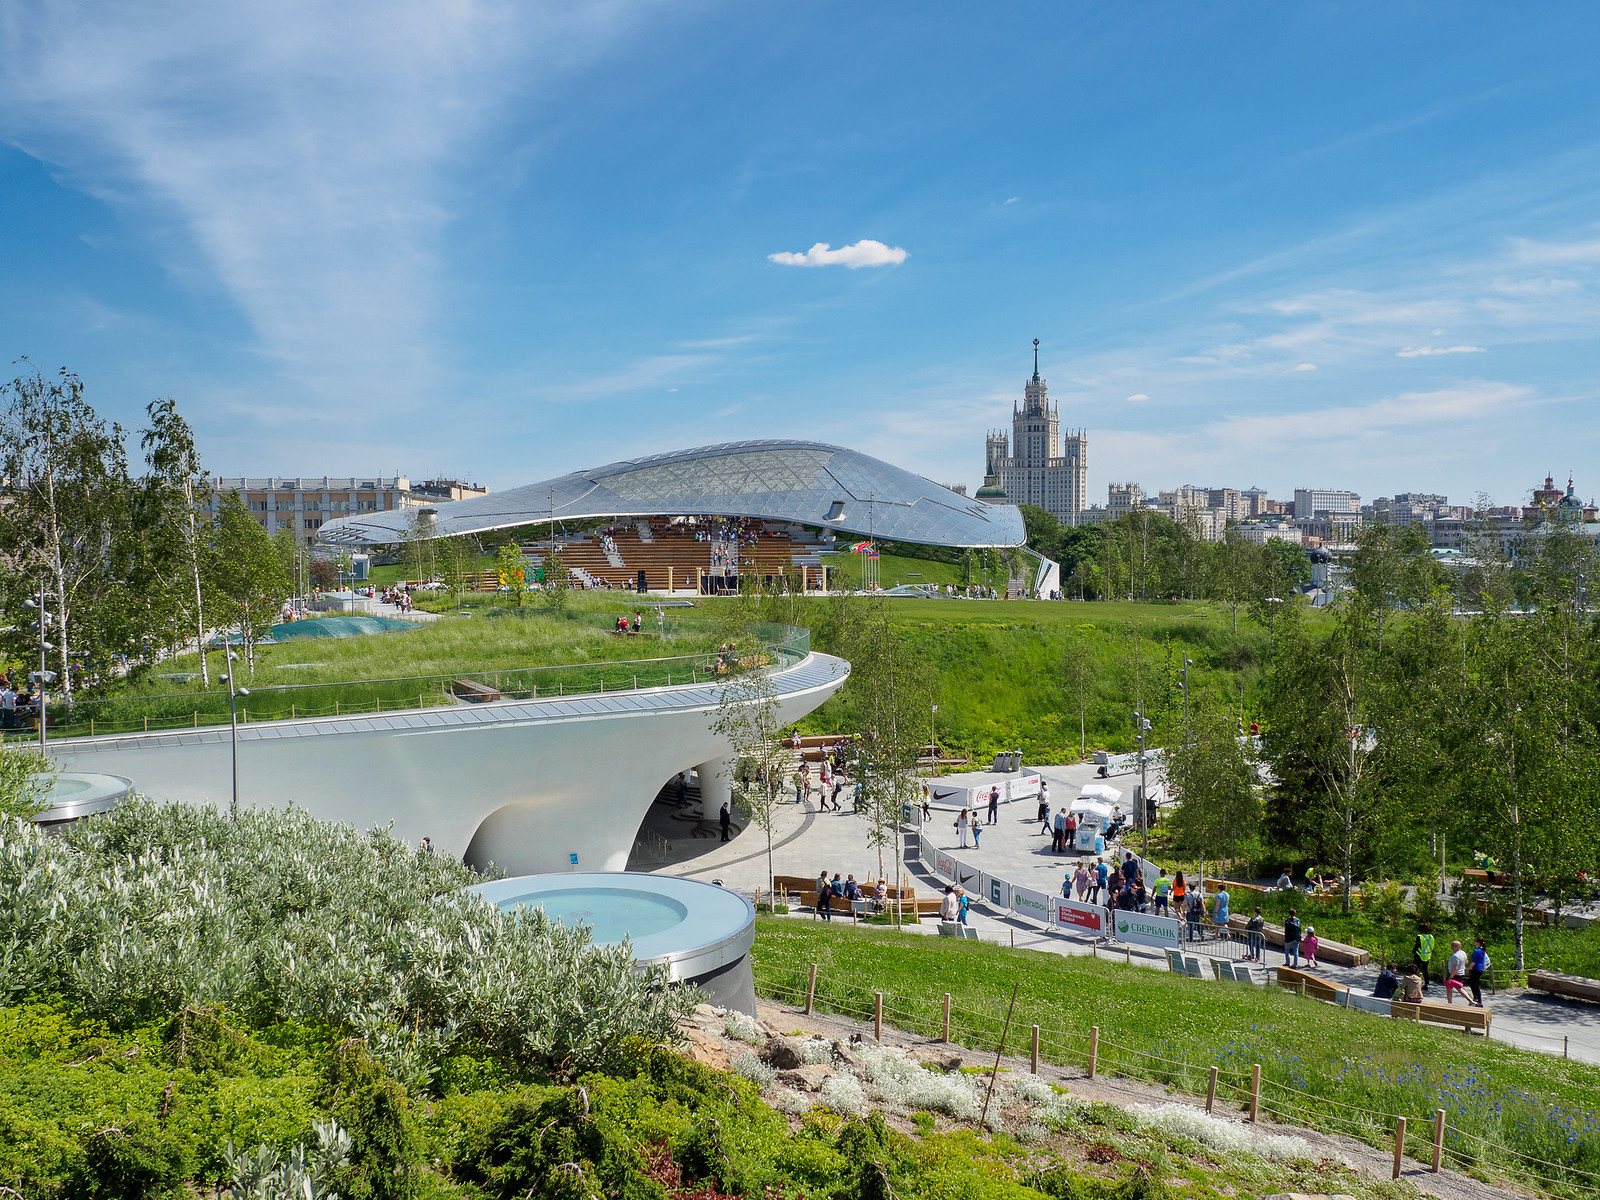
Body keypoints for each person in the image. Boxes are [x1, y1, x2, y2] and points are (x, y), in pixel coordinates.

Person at [1466, 937, 1490, 1008]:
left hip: (1476, 968)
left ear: (1478, 943)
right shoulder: (1482, 950)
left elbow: (1474, 961)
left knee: (1473, 984)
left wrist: (1469, 968)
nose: (1474, 942)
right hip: (1480, 968)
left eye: (1475, 941)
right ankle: (1476, 998)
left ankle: (1478, 999)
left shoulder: (1476, 951)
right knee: (1474, 983)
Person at [1413, 923, 1436, 993]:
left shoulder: (1419, 936)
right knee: (1425, 970)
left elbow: (1417, 946)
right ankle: (1426, 984)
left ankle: (1414, 982)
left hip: (1419, 954)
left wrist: (1414, 951)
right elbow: (1432, 946)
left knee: (1415, 969)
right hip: (1427, 955)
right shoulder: (1431, 936)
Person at [1444, 940, 1468, 1004]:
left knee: (1449, 988)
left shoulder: (1455, 956)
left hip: (1455, 974)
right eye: (1452, 945)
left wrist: (1450, 977)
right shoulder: (1463, 953)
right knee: (1458, 988)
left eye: (1454, 945)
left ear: (1458, 946)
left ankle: (1449, 1003)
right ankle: (1470, 1000)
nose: (1452, 947)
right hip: (1461, 973)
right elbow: (1466, 962)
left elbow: (1455, 968)